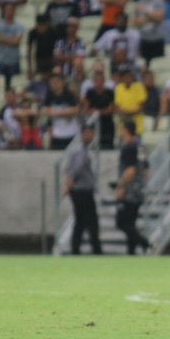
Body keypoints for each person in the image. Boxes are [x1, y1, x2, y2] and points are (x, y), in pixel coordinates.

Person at [114, 120, 150, 255]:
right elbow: (146, 170)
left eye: (121, 128)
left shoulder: (128, 147)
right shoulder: (139, 146)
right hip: (139, 191)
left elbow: (130, 170)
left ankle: (146, 243)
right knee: (131, 224)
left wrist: (120, 186)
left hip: (129, 192)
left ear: (125, 130)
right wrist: (139, 183)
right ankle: (131, 252)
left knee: (121, 223)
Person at [65, 125, 102, 255]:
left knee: (80, 222)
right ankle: (96, 250)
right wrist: (70, 184)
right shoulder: (80, 150)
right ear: (82, 134)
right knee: (91, 222)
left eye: (92, 133)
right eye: (88, 133)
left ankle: (75, 250)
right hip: (82, 190)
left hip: (80, 189)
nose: (90, 136)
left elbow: (68, 169)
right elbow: (76, 169)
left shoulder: (82, 149)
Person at [132, 0, 165, 66]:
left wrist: (144, 11)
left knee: (158, 64)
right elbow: (135, 22)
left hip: (157, 39)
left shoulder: (158, 1)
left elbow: (159, 18)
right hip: (144, 40)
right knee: (144, 65)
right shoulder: (139, 2)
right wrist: (151, 18)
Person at [0, 3, 23, 90]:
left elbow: (16, 41)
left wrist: (2, 39)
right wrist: (11, 39)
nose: (9, 12)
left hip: (13, 61)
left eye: (10, 9)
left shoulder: (18, 26)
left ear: (14, 11)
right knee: (0, 86)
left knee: (14, 86)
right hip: (1, 60)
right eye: (7, 10)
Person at [83, 70, 116, 149]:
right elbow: (86, 109)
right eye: (96, 80)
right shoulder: (89, 92)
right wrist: (95, 112)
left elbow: (111, 109)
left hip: (107, 123)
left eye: (100, 80)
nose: (99, 82)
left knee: (108, 145)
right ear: (94, 81)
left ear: (104, 81)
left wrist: (98, 112)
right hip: (93, 124)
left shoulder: (109, 92)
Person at [114, 66, 147, 137]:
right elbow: (117, 107)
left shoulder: (139, 87)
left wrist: (127, 113)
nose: (126, 78)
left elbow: (141, 107)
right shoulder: (118, 88)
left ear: (132, 77)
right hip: (123, 127)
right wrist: (124, 113)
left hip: (137, 127)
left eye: (128, 76)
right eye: (124, 76)